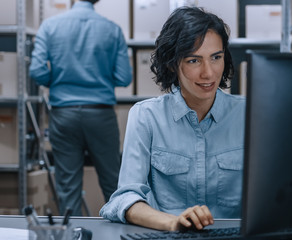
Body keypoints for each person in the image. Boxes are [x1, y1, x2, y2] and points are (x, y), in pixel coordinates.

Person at [100, 7, 245, 231]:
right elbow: (125, 198)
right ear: (171, 63)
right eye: (194, 61)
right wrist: (173, 222)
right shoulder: (146, 116)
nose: (208, 73)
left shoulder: (249, 116)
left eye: (216, 57)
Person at [29, 0, 132, 216]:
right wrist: (100, 78)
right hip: (101, 113)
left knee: (67, 188)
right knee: (114, 184)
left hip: (63, 113)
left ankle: (73, 236)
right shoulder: (112, 29)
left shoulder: (50, 26)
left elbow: (37, 71)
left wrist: (57, 82)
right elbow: (124, 78)